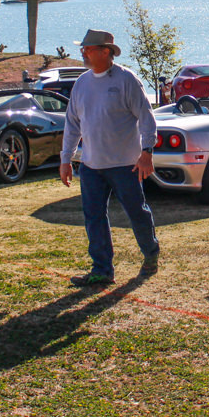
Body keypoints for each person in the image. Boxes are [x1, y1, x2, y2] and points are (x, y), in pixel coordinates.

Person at [58, 29, 161, 287]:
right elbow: (72, 124)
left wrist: (146, 152)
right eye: (83, 49)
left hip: (125, 165)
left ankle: (150, 253)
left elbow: (147, 118)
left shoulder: (126, 80)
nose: (84, 53)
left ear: (106, 51)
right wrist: (66, 159)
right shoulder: (82, 83)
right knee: (93, 217)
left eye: (88, 49)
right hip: (91, 166)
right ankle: (102, 270)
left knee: (137, 212)